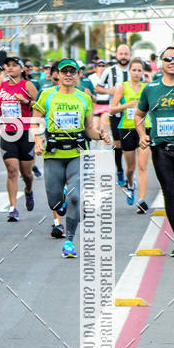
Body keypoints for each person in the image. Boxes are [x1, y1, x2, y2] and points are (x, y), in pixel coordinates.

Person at [34, 58, 110, 258]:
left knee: (76, 197)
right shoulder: (47, 96)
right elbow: (35, 121)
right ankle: (62, 205)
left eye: (72, 71)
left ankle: (69, 241)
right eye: (64, 71)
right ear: (57, 75)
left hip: (77, 153)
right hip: (53, 154)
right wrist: (37, 139)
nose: (68, 74)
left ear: (78, 75)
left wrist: (101, 135)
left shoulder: (84, 98)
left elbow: (89, 129)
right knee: (55, 202)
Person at [134, 46, 174, 256]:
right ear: (160, 63)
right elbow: (139, 114)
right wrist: (142, 135)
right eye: (168, 59)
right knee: (169, 193)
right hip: (161, 149)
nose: (173, 62)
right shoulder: (151, 88)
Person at [0, 55, 37, 222]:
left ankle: (28, 190)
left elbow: (40, 106)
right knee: (12, 170)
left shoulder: (27, 85)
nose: (10, 68)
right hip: (7, 132)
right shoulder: (2, 86)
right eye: (8, 65)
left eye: (14, 65)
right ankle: (13, 208)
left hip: (25, 131)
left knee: (27, 173)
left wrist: (26, 101)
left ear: (22, 69)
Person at [109, 58, 151, 213]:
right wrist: (127, 105)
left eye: (140, 70)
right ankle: (130, 184)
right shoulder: (122, 87)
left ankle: (142, 200)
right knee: (131, 168)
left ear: (143, 72)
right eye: (134, 70)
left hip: (145, 128)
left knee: (142, 166)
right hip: (126, 130)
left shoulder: (148, 88)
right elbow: (112, 110)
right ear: (129, 71)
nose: (137, 73)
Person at [96, 44, 132, 185]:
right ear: (116, 55)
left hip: (133, 115)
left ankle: (131, 170)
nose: (123, 56)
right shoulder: (109, 71)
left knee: (132, 144)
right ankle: (119, 170)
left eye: (126, 54)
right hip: (116, 114)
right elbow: (98, 88)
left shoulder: (134, 70)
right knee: (118, 144)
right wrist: (110, 91)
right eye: (121, 53)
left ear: (130, 55)